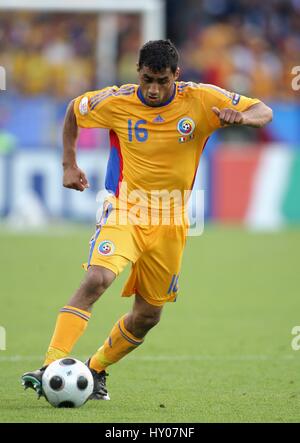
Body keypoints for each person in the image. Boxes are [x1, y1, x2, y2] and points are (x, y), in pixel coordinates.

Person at [21, 39, 272, 401]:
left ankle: (95, 370)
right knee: (97, 278)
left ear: (177, 76)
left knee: (148, 316)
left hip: (172, 220)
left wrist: (243, 117)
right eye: (147, 80)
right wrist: (69, 164)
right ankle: (50, 368)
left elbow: (264, 110)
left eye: (162, 81)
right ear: (137, 73)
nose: (153, 89)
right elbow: (75, 111)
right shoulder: (117, 100)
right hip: (125, 207)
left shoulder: (202, 99)